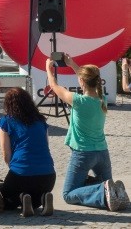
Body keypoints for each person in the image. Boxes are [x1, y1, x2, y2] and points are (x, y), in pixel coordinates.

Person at [46, 54, 129, 211]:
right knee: (109, 191)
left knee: (68, 194)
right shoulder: (102, 99)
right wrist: (72, 64)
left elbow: (54, 86)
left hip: (83, 154)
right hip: (103, 153)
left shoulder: (79, 101)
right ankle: (113, 190)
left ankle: (100, 191)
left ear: (81, 81)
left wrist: (48, 69)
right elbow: (88, 79)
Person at [0, 87, 56, 216]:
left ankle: (23, 198)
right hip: (48, 176)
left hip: (21, 173)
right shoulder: (41, 121)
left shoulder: (6, 121)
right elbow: (45, 145)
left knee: (6, 201)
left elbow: (6, 153)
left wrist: (14, 168)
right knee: (36, 196)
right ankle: (42, 198)